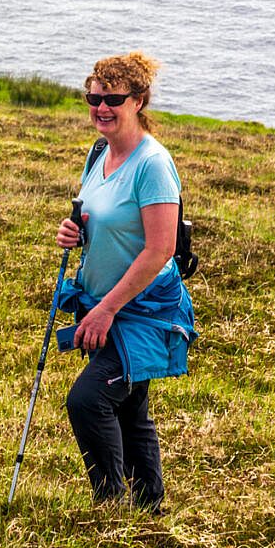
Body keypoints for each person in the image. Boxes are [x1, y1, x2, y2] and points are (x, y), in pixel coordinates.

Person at [55, 51, 197, 513]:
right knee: (130, 404)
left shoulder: (152, 164)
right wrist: (74, 231)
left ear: (138, 100)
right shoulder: (99, 153)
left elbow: (160, 249)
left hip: (140, 308)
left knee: (88, 399)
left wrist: (107, 308)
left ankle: (110, 502)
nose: (101, 107)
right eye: (93, 97)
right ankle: (149, 505)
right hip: (106, 302)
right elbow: (105, 220)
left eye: (112, 98)